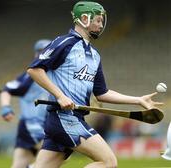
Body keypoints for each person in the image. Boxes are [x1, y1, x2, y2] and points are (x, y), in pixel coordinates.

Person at [27, 1, 163, 168]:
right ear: (84, 18)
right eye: (97, 20)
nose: (101, 25)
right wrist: (60, 96)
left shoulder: (94, 55)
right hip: (64, 118)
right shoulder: (65, 43)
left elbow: (102, 93)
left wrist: (138, 100)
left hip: (72, 119)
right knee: (108, 162)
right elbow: (34, 70)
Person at [0, 39, 51, 168]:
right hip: (33, 125)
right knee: (59, 153)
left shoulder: (54, 74)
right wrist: (6, 107)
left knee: (19, 165)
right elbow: (6, 90)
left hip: (40, 125)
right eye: (40, 52)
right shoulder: (31, 76)